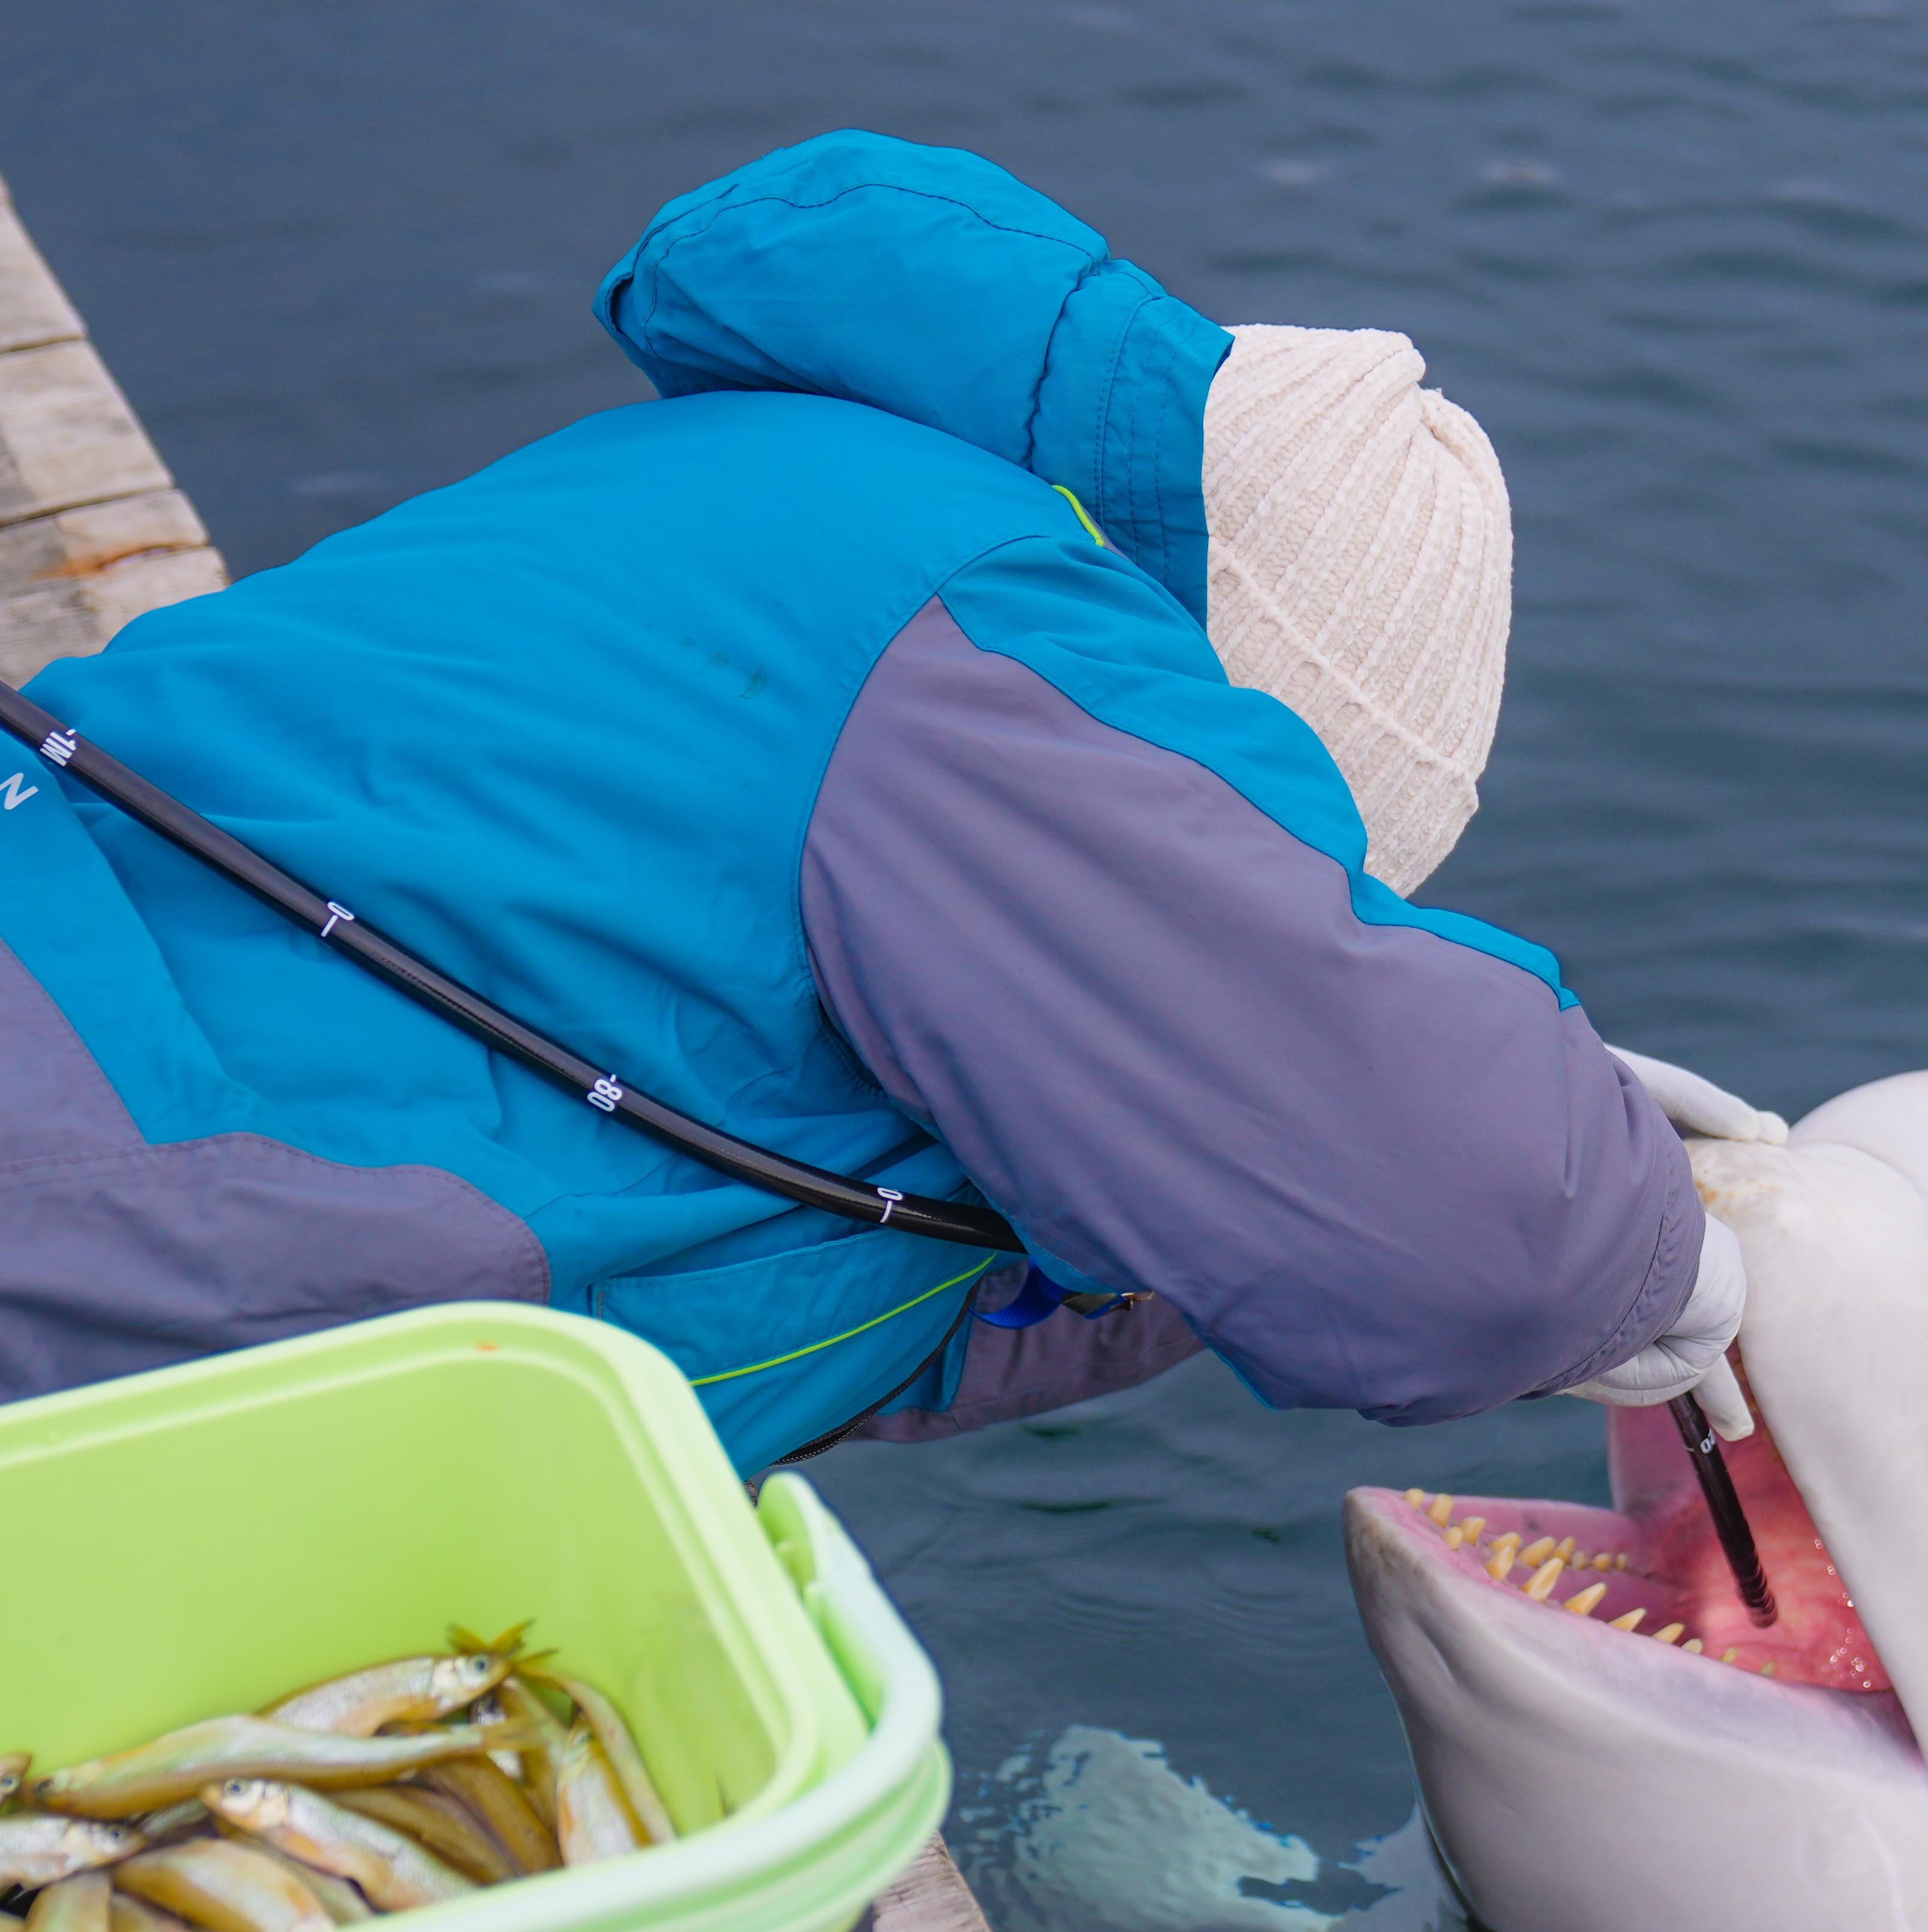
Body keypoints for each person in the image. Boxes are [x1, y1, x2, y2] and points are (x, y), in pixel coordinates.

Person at [0, 131, 1779, 1470]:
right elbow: (1473, 1244)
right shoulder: (988, 623)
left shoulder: (759, 489)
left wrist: (1195, 1203)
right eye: (1289, 847)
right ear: (1230, 683)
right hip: (89, 1252)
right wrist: (1636, 1253)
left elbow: (790, 1247)